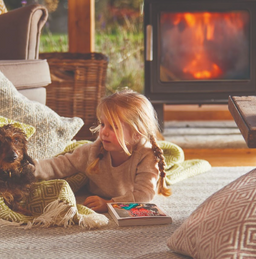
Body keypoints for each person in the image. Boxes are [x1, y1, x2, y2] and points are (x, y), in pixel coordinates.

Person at [33, 89, 171, 212]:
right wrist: (30, 168)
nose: (104, 132)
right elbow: (60, 164)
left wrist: (109, 204)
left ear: (137, 134)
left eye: (113, 127)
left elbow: (144, 195)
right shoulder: (92, 151)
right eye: (103, 124)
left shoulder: (147, 156)